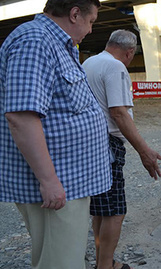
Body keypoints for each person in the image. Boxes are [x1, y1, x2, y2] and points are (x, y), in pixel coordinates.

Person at [0, 1, 111, 268]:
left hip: (69, 180)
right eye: (92, 21)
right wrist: (49, 181)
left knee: (60, 258)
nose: (91, 29)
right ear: (74, 14)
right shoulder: (35, 41)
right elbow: (21, 116)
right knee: (61, 263)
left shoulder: (56, 43)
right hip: (59, 184)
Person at [82, 29, 161, 269]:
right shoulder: (116, 67)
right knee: (115, 211)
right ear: (130, 52)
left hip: (92, 142)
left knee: (100, 210)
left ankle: (102, 262)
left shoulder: (90, 62)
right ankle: (105, 266)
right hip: (107, 144)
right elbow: (119, 112)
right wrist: (144, 150)